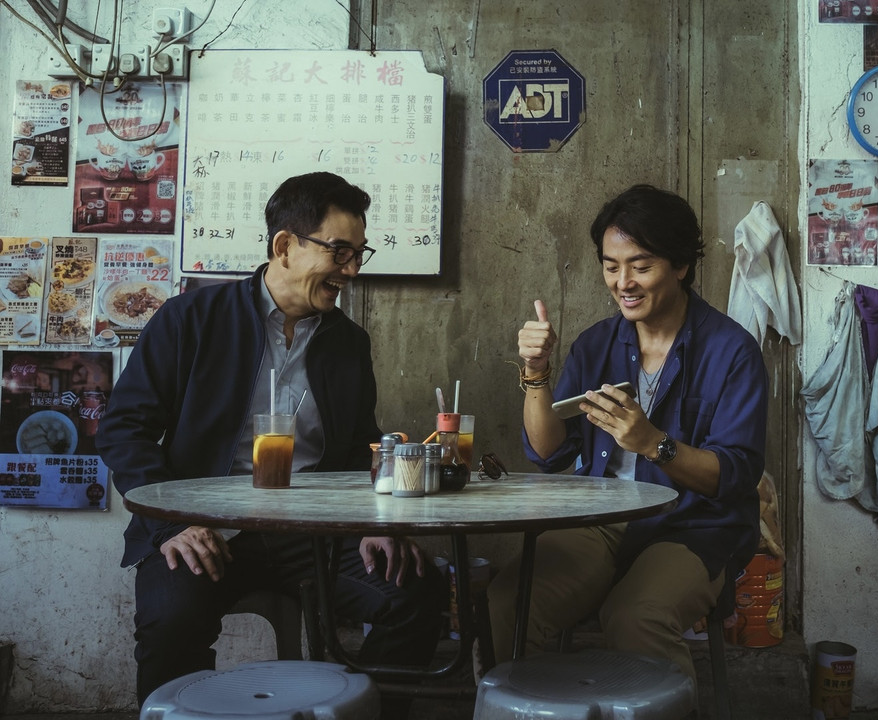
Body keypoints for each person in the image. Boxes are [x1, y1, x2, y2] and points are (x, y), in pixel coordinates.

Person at [99, 172, 447, 710]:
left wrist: (379, 523)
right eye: (339, 252)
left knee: (416, 592)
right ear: (285, 246)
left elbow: (358, 445)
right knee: (171, 624)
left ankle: (364, 712)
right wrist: (171, 523)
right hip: (203, 525)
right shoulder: (191, 318)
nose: (351, 271)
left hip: (314, 531)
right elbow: (124, 428)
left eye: (358, 254)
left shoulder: (348, 343)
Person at [488, 184, 768, 680]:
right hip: (600, 517)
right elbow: (548, 453)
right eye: (611, 266)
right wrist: (536, 372)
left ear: (680, 265)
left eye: (641, 266)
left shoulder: (732, 351)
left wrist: (652, 444)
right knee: (508, 601)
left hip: (694, 526)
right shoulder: (596, 343)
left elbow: (735, 477)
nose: (624, 283)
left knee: (636, 618)